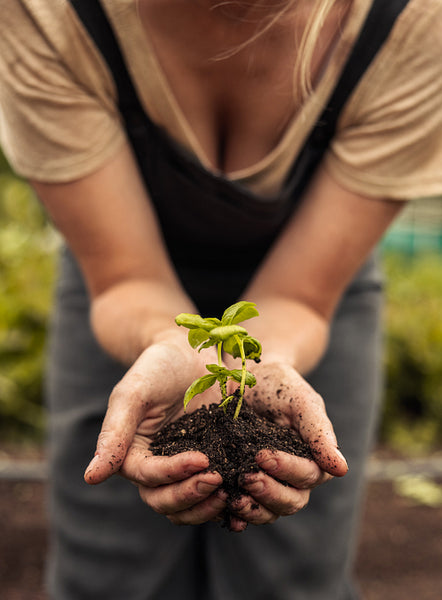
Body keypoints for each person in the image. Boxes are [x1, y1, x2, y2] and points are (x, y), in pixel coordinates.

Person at [1, 0, 442, 598]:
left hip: (316, 286)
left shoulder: (413, 20)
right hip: (118, 275)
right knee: (110, 569)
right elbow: (125, 278)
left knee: (289, 574)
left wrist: (259, 361)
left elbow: (301, 299)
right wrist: (171, 340)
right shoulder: (45, 13)